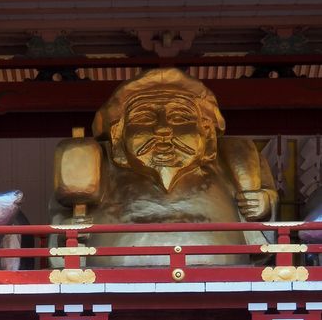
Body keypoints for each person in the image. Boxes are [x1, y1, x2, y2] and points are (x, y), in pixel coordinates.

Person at [49, 67, 278, 266]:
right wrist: (67, 233)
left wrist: (264, 204)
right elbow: (61, 221)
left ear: (206, 132)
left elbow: (264, 235)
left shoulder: (234, 163)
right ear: (118, 135)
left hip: (224, 279)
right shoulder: (98, 168)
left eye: (179, 118)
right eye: (145, 118)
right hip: (110, 281)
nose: (163, 129)